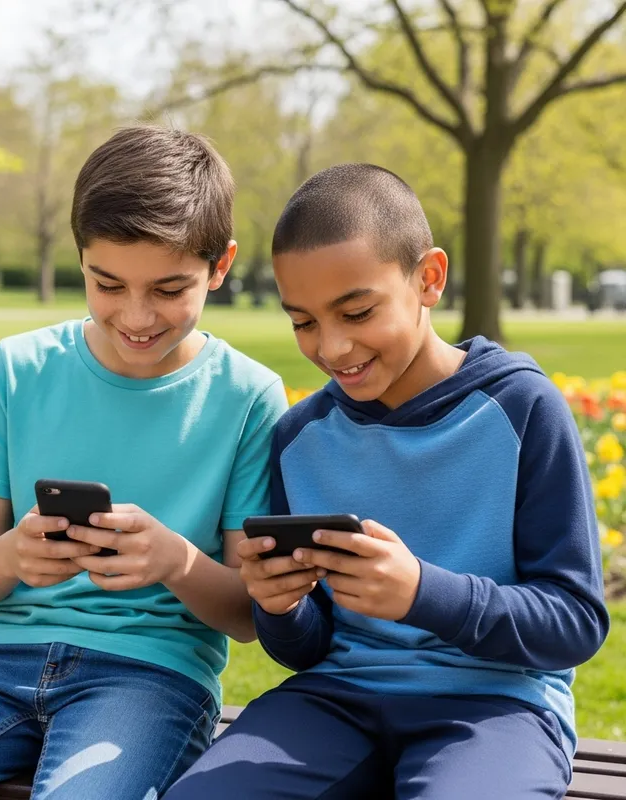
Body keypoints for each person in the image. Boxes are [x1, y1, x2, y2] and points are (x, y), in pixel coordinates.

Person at [0, 126, 288, 800]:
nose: (135, 315)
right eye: (108, 284)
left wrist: (174, 562)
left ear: (220, 267)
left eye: (168, 289)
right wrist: (13, 556)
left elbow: (248, 616)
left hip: (151, 677)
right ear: (81, 261)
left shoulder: (248, 397)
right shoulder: (17, 369)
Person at [165, 163, 609, 799]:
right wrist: (280, 605)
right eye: (304, 321)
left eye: (358, 311)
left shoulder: (522, 410)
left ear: (428, 278)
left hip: (496, 709)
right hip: (335, 702)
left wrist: (423, 593)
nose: (334, 347)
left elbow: (574, 621)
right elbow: (306, 648)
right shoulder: (299, 438)